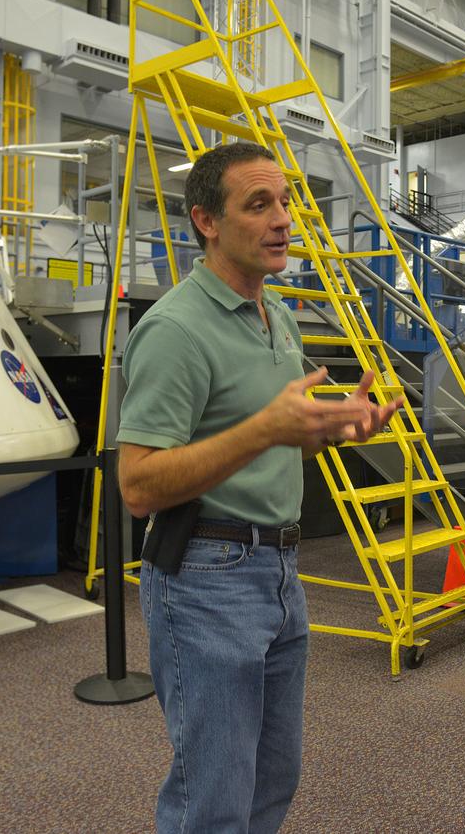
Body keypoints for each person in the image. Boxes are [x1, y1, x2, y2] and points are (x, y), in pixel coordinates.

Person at [116, 141, 401, 833]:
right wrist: (267, 429)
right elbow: (138, 485)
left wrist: (335, 428)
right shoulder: (176, 329)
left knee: (271, 782)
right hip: (206, 579)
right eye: (259, 205)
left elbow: (268, 434)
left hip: (277, 572)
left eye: (286, 203)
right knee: (212, 798)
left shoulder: (271, 316)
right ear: (205, 222)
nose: (283, 221)